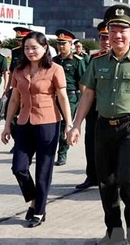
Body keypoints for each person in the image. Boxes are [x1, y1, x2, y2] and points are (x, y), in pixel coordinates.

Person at [67, 5, 130, 245]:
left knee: (126, 176)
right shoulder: (97, 61)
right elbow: (88, 95)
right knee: (106, 181)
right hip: (103, 127)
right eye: (113, 30)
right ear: (107, 33)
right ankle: (114, 229)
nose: (117, 35)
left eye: (123, 30)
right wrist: (76, 125)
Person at [1, 31, 72, 228]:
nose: (30, 51)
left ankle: (39, 211)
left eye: (34, 48)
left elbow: (63, 97)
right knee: (19, 167)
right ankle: (34, 199)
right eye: (27, 48)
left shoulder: (55, 69)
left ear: (45, 48)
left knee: (43, 171)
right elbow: (14, 98)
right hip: (24, 123)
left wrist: (69, 123)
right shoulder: (19, 69)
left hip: (48, 123)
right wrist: (7, 125)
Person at [75, 21, 111, 190]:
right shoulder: (92, 59)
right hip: (93, 106)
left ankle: (110, 178)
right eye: (103, 38)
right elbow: (83, 84)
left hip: (113, 108)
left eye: (108, 37)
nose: (106, 41)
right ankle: (92, 176)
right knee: (91, 143)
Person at [53, 29, 86, 166]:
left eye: (64, 43)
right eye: (59, 43)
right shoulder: (53, 60)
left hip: (71, 97)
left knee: (64, 126)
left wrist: (84, 102)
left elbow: (82, 82)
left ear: (70, 44)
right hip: (54, 97)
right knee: (52, 126)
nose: (61, 46)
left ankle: (62, 154)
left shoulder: (77, 61)